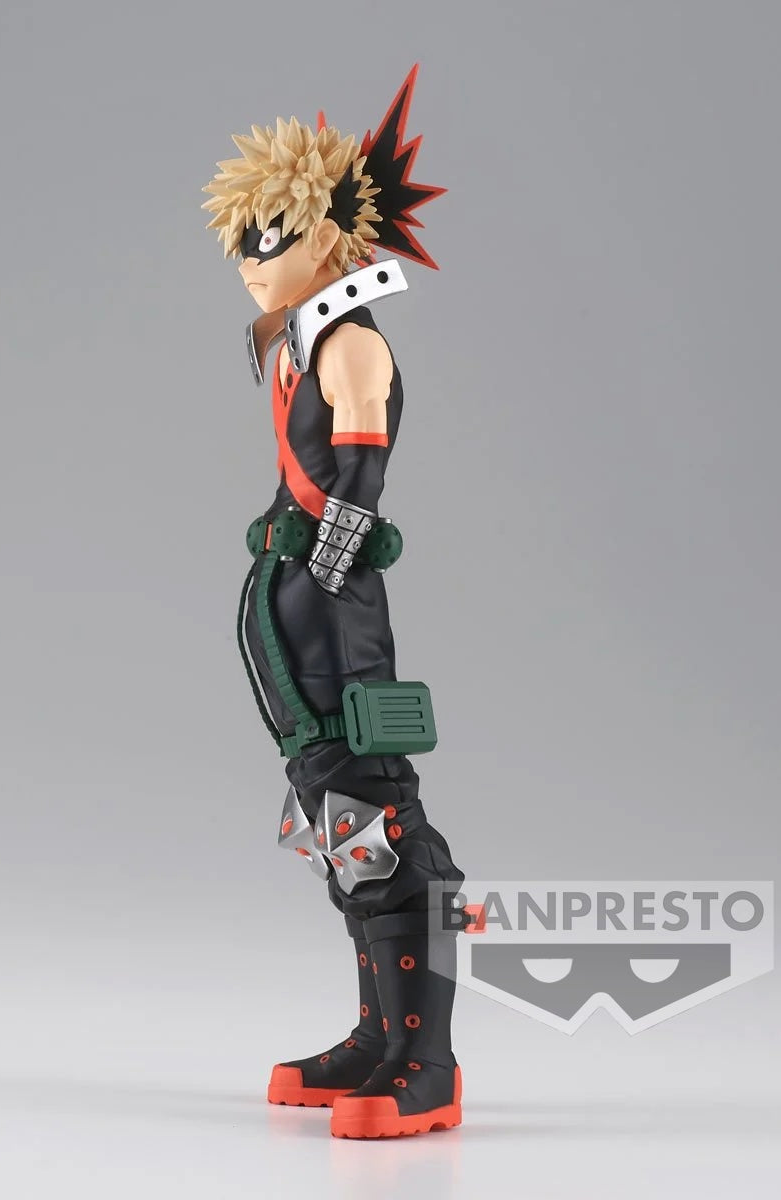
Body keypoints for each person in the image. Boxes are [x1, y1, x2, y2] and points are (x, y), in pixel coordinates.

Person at [202, 65, 467, 1139]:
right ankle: (377, 1039)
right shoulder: (301, 343)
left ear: (326, 235)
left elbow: (361, 477)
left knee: (375, 814)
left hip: (331, 599)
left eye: (268, 235)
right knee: (331, 817)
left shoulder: (351, 341)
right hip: (290, 600)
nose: (249, 260)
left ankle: (426, 1064)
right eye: (241, 240)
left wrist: (323, 567)